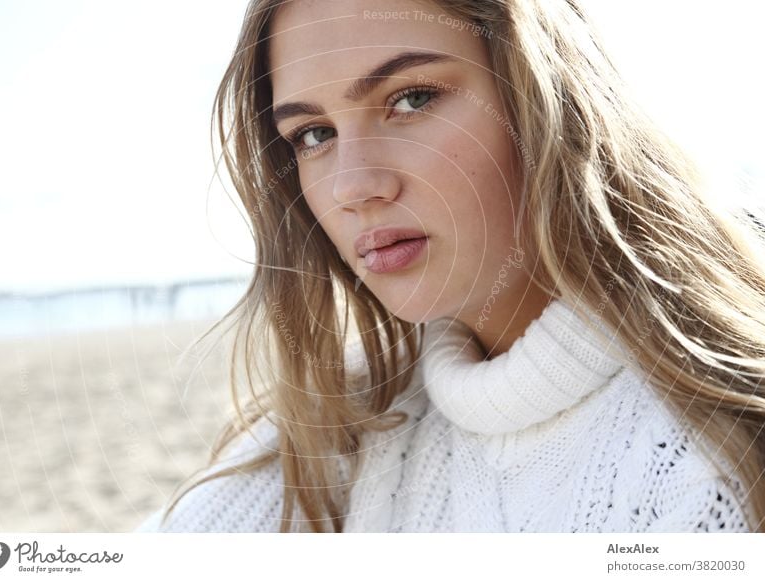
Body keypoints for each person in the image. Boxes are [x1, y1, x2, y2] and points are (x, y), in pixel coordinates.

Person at [134, 0, 765, 533]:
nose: (352, 187)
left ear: (546, 99)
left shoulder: (707, 465)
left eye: (411, 98)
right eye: (314, 135)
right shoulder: (352, 424)